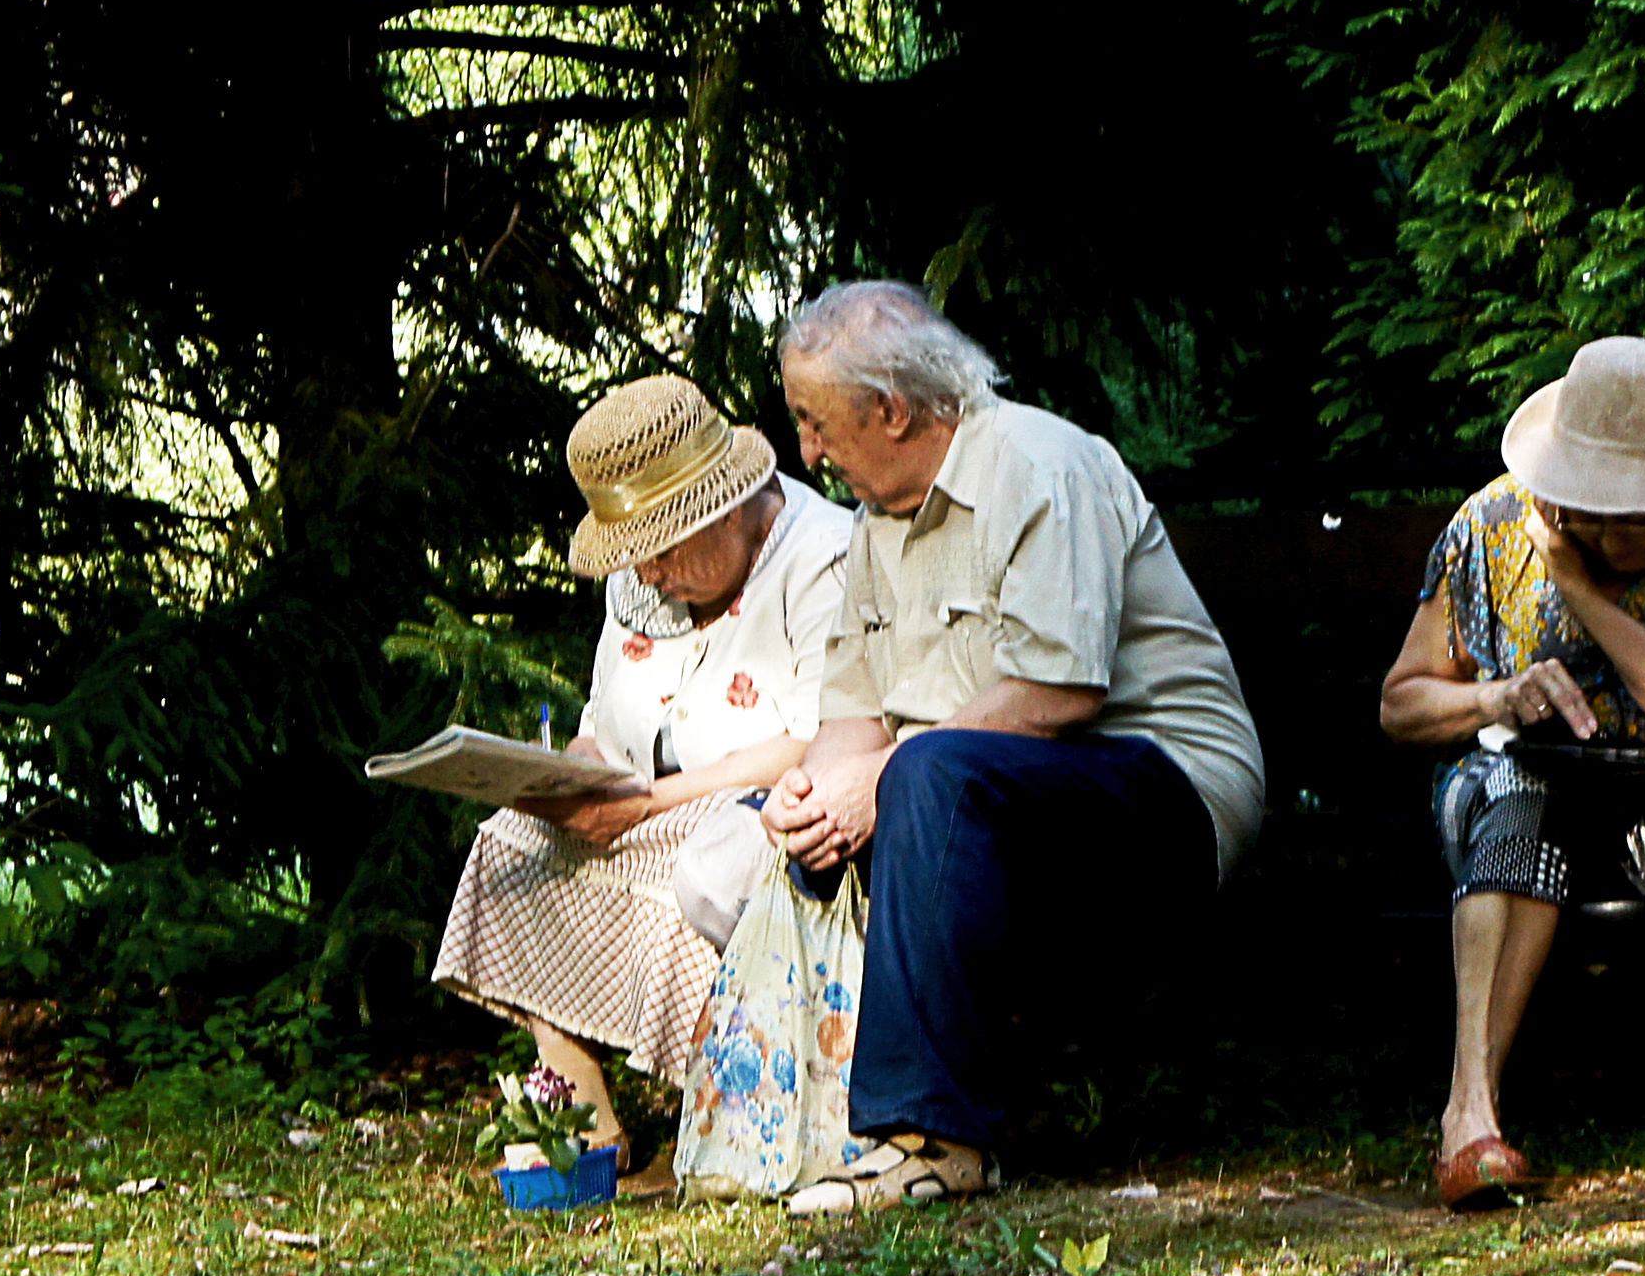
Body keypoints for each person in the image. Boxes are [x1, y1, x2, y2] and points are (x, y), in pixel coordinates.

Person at [757, 281, 1263, 1218]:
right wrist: (812, 789)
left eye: (816, 424)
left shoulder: (1038, 465)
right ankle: (819, 1119)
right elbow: (852, 718)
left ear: (894, 411)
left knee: (924, 771)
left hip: (1165, 802)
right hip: (990, 800)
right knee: (822, 823)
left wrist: (884, 772)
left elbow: (1060, 690)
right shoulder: (876, 528)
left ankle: (936, 1141)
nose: (809, 454)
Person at [1379, 337, 1645, 1207]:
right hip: (1525, 785)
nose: (1621, 533)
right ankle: (1468, 1117)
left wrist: (1576, 585)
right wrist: (1498, 697)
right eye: (1597, 511)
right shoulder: (1495, 521)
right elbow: (1401, 704)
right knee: (1515, 783)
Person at [431, 375, 851, 1196]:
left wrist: (651, 801)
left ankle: (720, 1116)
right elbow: (608, 724)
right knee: (513, 842)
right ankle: (586, 1119)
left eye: (665, 549)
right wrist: (558, 776)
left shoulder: (821, 555)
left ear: (727, 505)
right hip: (648, 800)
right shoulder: (641, 580)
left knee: (689, 867)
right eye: (638, 554)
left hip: (761, 808)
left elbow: (817, 735)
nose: (651, 575)